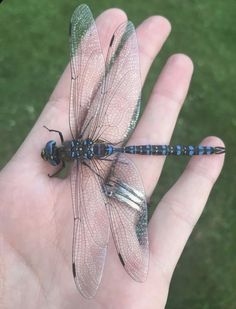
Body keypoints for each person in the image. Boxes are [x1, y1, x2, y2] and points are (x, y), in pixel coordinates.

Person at [0, 7, 225, 308]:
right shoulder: (80, 138)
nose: (55, 153)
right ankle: (200, 152)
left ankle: (201, 152)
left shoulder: (78, 169)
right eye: (55, 154)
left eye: (54, 153)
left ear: (61, 158)